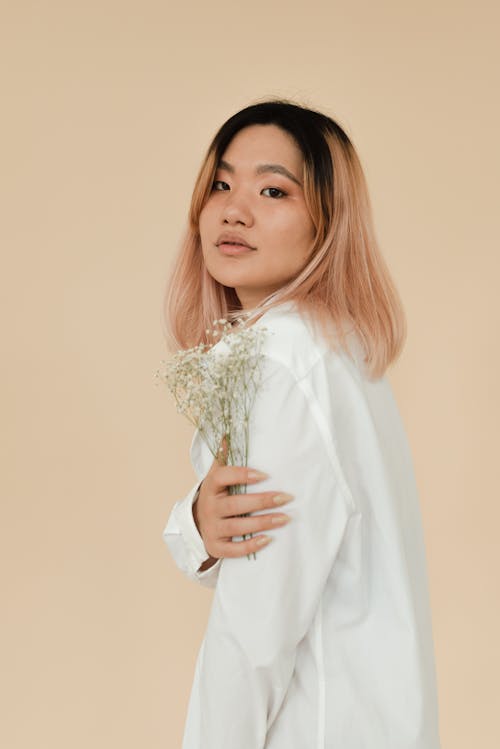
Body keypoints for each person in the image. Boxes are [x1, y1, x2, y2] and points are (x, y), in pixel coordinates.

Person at [161, 99, 442, 748]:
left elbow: (255, 632)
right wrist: (194, 524)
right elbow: (257, 550)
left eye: (273, 189)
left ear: (328, 224)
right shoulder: (330, 351)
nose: (235, 208)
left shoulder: (283, 365)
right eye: (221, 184)